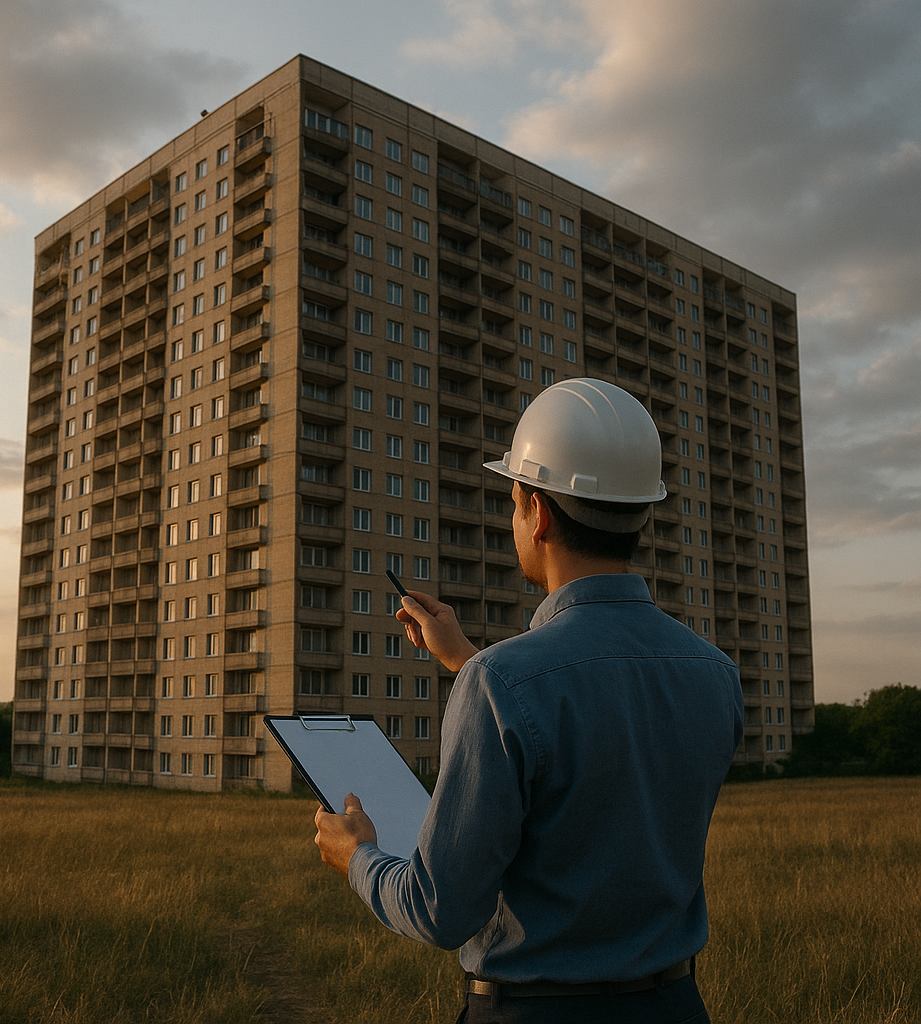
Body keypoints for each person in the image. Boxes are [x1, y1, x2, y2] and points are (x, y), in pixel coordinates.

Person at [314, 378, 744, 1023]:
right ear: (640, 511)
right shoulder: (714, 674)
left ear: (536, 513)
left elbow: (442, 911)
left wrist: (358, 857)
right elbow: (604, 737)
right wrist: (466, 659)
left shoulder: (504, 685)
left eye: (514, 501)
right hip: (676, 1007)